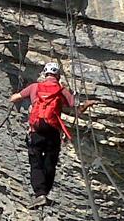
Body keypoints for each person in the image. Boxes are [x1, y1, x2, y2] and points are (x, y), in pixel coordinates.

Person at [9, 62, 96, 209]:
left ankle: (40, 194)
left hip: (36, 130)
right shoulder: (61, 90)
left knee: (36, 163)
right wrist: (86, 104)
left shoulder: (35, 87)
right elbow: (76, 109)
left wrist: (20, 96)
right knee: (50, 162)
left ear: (45, 74)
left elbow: (14, 98)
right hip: (53, 131)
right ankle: (46, 193)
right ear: (58, 76)